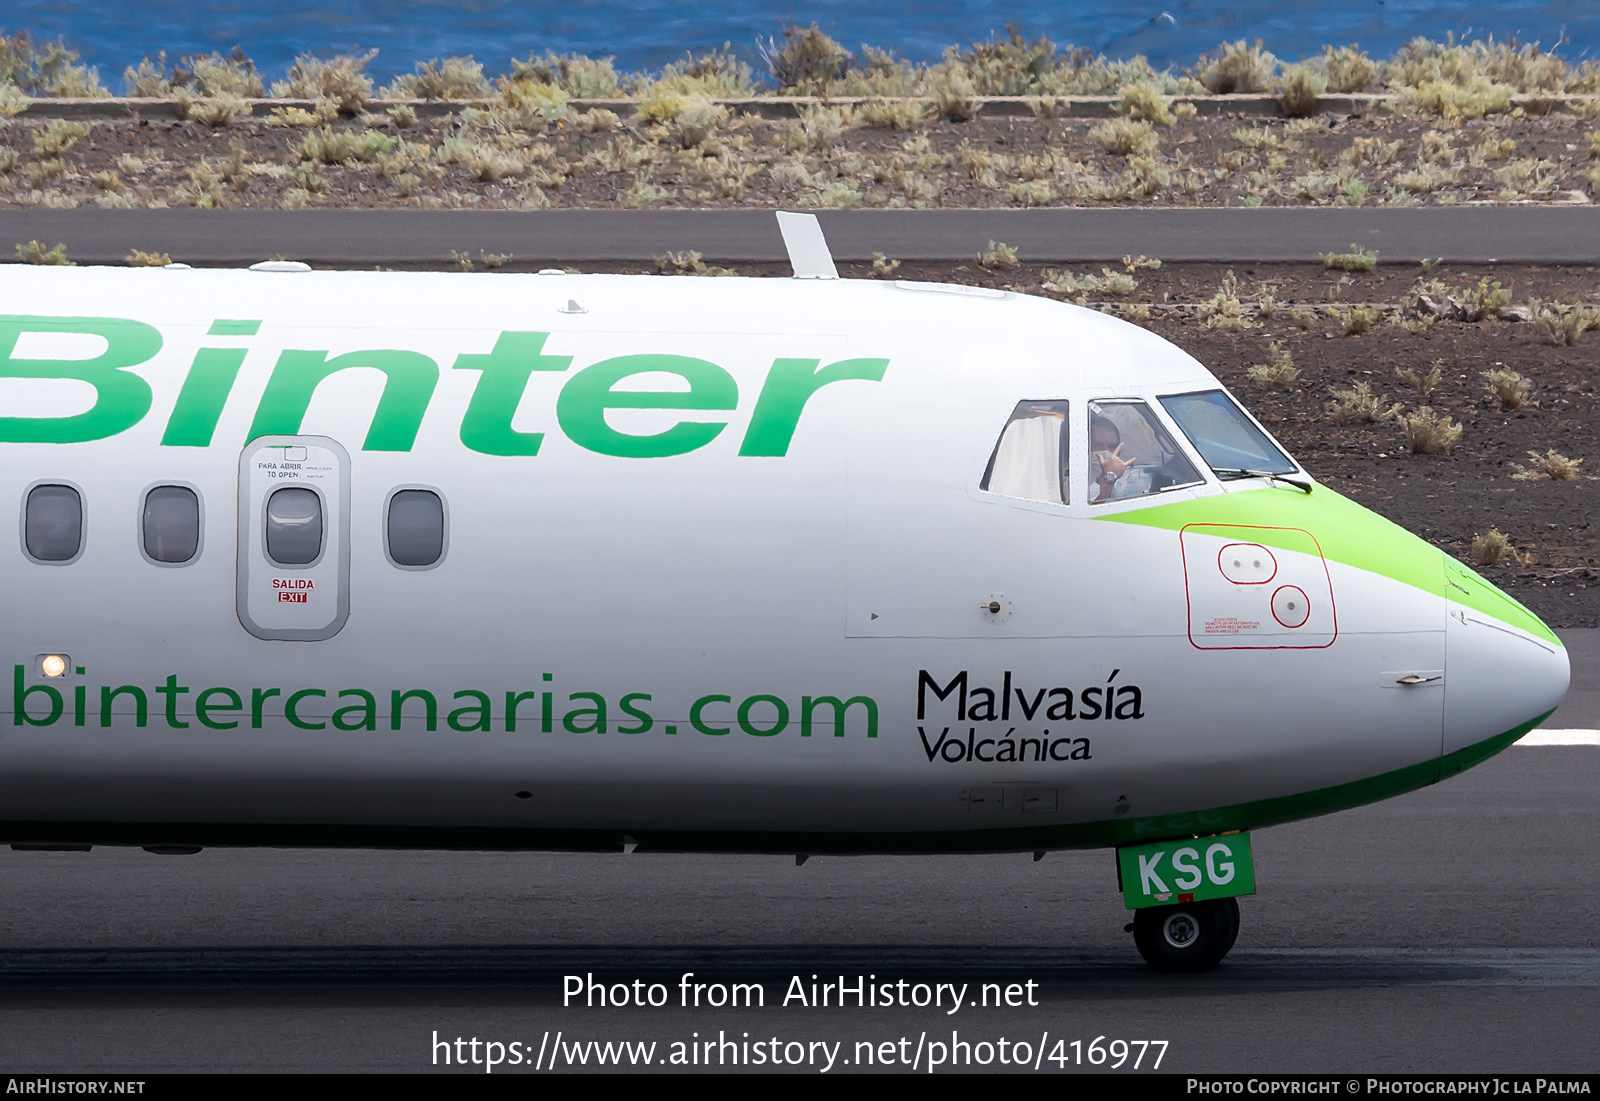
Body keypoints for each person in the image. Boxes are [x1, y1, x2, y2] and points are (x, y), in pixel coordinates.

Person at [1089, 414, 1135, 502]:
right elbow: (1091, 511)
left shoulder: (1124, 477)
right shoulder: (1069, 479)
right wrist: (1109, 477)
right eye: (1097, 445)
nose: (1106, 452)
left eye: (1112, 446)